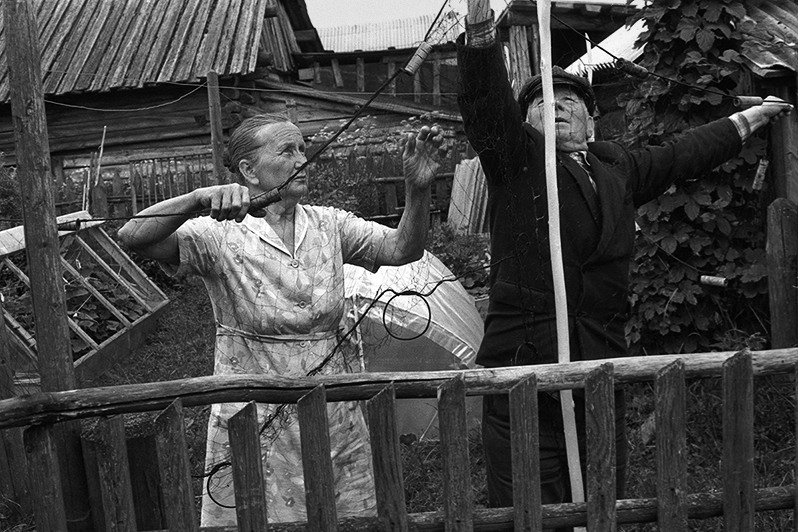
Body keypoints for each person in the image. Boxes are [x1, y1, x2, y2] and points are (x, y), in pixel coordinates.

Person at [457, 1, 792, 526]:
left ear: (591, 121)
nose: (558, 105)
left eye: (570, 99)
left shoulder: (616, 167)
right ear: (524, 122)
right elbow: (482, 104)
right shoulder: (514, 161)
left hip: (598, 365)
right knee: (528, 508)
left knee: (600, 498)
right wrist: (479, 36)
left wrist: (752, 116)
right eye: (543, 102)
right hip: (525, 370)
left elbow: (687, 150)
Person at [117, 114, 444, 525]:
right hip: (254, 411)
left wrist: (417, 190)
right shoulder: (219, 235)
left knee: (343, 518)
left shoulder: (328, 224)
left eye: (303, 149)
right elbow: (133, 236)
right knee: (258, 515)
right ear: (248, 171)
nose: (301, 159)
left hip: (332, 407)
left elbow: (401, 250)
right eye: (287, 151)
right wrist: (198, 198)